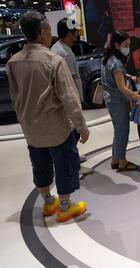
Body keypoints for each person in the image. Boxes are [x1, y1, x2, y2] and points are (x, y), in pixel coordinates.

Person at [6, 11, 90, 223]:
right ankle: (64, 207)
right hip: (56, 129)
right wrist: (82, 126)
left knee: (40, 165)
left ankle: (48, 202)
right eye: (49, 30)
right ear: (43, 32)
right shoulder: (54, 61)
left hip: (31, 129)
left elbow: (14, 97)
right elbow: (69, 98)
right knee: (65, 165)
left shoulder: (13, 62)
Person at [51, 18, 93, 175]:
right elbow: (69, 81)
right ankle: (74, 165)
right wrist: (76, 102)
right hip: (71, 97)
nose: (77, 37)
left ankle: (74, 159)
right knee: (73, 133)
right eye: (76, 33)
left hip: (67, 97)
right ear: (70, 33)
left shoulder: (58, 48)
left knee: (72, 133)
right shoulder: (64, 53)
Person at [101, 30, 140, 171]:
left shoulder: (108, 58)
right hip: (118, 101)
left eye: (129, 44)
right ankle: (122, 161)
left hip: (110, 99)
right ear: (116, 45)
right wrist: (136, 96)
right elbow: (121, 87)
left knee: (118, 130)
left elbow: (117, 76)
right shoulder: (116, 63)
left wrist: (129, 77)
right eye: (125, 45)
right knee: (123, 131)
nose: (128, 48)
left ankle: (115, 159)